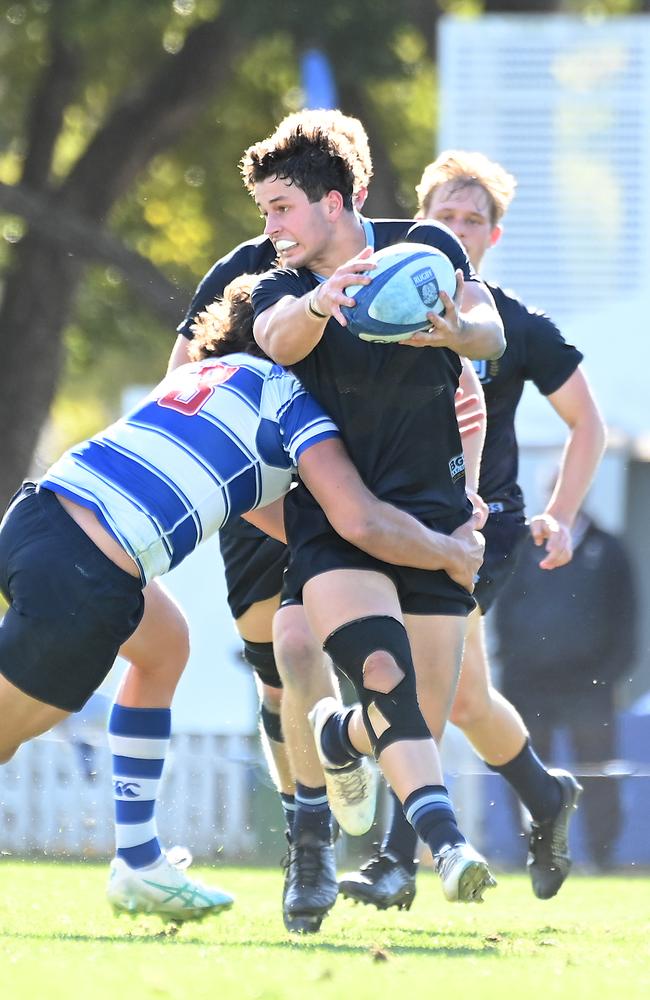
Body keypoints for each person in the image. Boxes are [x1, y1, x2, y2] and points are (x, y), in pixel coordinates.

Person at [0, 275, 484, 922]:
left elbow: (278, 519)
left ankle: (139, 861)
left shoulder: (210, 374)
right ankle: (138, 863)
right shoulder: (292, 400)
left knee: (165, 644)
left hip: (38, 518)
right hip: (86, 578)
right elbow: (358, 522)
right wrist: (447, 551)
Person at [242, 121, 505, 928]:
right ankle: (441, 843)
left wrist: (462, 333)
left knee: (411, 713)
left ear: (333, 200)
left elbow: (486, 326)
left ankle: (340, 737)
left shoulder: (426, 252)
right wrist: (323, 299)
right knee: (382, 672)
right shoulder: (279, 287)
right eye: (263, 211)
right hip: (334, 526)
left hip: (432, 513)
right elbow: (277, 341)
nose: (271, 228)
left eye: (281, 207)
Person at [339, 150, 606, 911]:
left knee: (420, 686)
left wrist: (561, 511)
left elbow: (587, 422)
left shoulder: (515, 324)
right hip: (396, 525)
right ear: (419, 223)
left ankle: (398, 863)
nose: (457, 230)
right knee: (463, 702)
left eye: (472, 220)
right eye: (443, 217)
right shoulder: (375, 305)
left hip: (482, 532)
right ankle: (546, 795)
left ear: (493, 236)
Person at [495, 505, 638, 871]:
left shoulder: (608, 549)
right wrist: (511, 663)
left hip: (589, 685)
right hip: (528, 682)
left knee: (596, 770)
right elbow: (505, 604)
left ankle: (602, 856)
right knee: (525, 765)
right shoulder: (526, 546)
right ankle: (532, 854)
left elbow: (626, 617)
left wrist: (609, 674)